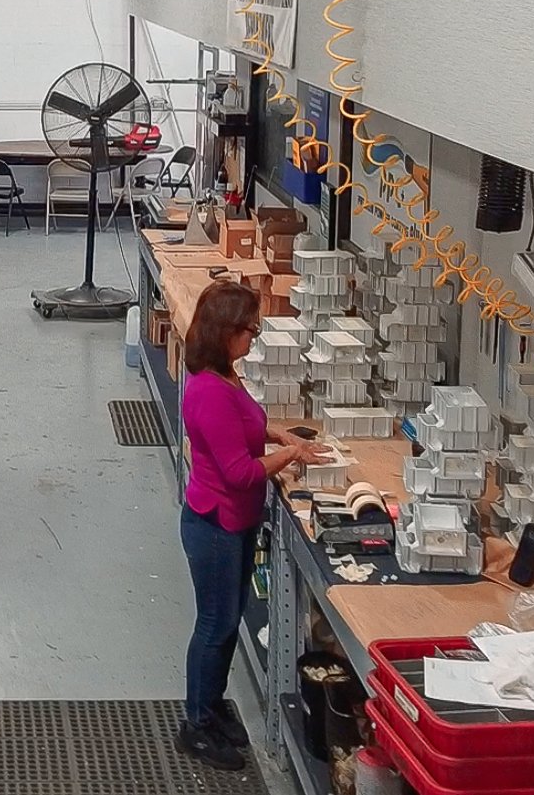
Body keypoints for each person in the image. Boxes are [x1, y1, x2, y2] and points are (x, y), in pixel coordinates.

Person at [175, 279, 327, 772]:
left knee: (227, 620)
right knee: (216, 626)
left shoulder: (224, 375)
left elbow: (242, 427)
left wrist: (277, 432)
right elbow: (240, 471)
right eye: (250, 331)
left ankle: (212, 704)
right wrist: (291, 453)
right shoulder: (209, 393)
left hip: (232, 524)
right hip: (215, 525)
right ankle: (196, 724)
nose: (254, 339)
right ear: (225, 333)